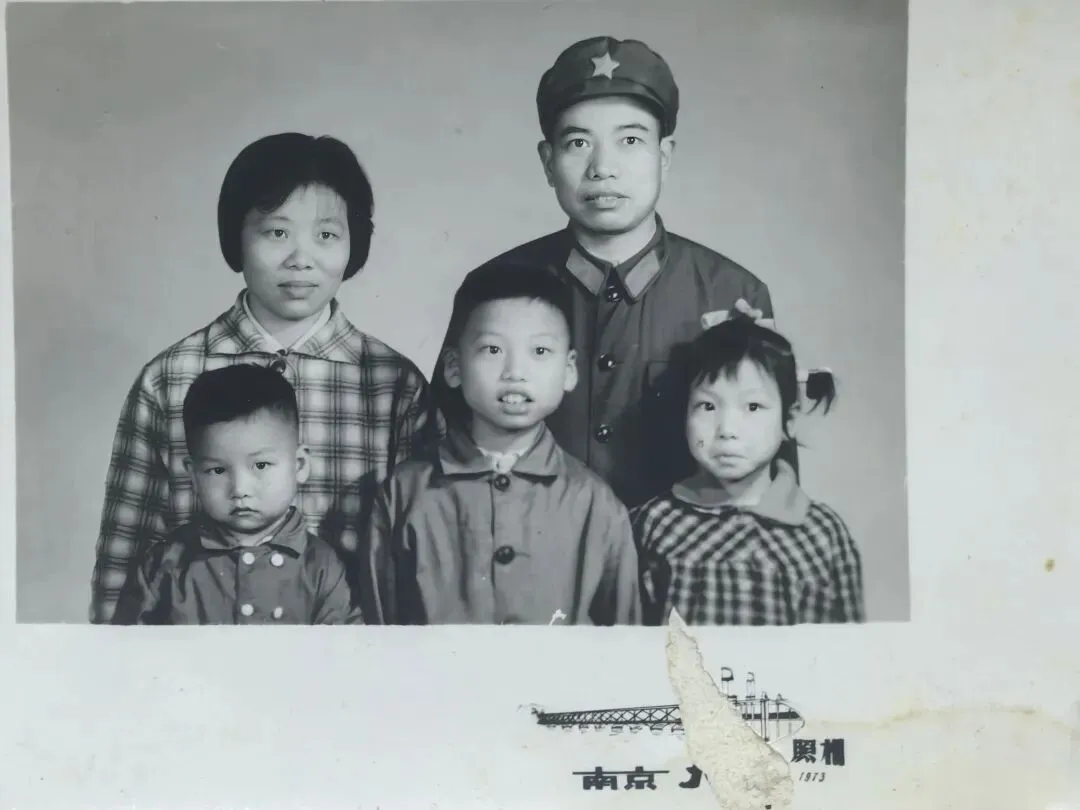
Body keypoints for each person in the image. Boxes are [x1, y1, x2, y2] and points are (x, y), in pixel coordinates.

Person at [430, 35, 795, 510]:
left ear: (664, 156)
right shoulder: (493, 287)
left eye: (630, 141)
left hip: (678, 555)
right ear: (548, 162)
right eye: (579, 143)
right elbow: (441, 456)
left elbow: (772, 486)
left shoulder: (732, 293)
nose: (603, 168)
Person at [89, 132, 437, 624]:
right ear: (236, 237)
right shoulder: (168, 378)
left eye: (326, 235)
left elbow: (419, 560)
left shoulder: (393, 385)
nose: (301, 258)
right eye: (276, 233)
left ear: (354, 243)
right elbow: (122, 562)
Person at [361, 261, 641, 625]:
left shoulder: (595, 502)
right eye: (493, 349)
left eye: (540, 351)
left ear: (569, 370)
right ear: (454, 367)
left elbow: (625, 638)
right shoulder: (403, 493)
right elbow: (378, 628)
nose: (515, 372)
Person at [631, 311, 865, 625]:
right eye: (707, 406)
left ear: (789, 420)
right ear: (684, 414)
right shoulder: (652, 524)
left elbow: (849, 644)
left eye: (753, 406)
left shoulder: (823, 533)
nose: (727, 429)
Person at [112, 365, 363, 625]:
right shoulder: (164, 564)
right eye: (218, 470)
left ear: (299, 465)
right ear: (194, 475)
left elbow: (345, 648)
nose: (240, 490)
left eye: (261, 465)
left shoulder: (323, 567)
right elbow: (123, 646)